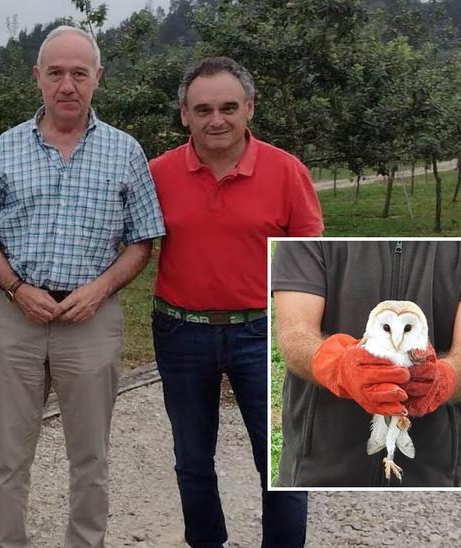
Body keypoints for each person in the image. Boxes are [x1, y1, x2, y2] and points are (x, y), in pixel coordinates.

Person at [0, 25, 165, 548]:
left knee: (90, 456)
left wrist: (98, 291)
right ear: (37, 79)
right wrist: (13, 289)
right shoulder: (7, 147)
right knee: (8, 454)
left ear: (98, 78)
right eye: (55, 73)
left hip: (91, 321)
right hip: (17, 317)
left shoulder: (125, 151)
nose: (67, 85)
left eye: (79, 73)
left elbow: (143, 241)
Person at [147, 56, 319, 547]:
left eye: (227, 107)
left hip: (262, 331)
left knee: (282, 461)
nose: (215, 119)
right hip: (181, 331)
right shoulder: (158, 173)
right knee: (193, 458)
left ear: (249, 109)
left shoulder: (286, 172)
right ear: (185, 115)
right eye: (202, 109)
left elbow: (310, 257)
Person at [272, 240, 461, 487]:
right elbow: (296, 334)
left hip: (437, 473)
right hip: (318, 467)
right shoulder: (310, 228)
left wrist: (442, 379)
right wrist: (336, 366)